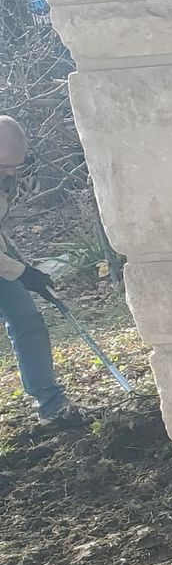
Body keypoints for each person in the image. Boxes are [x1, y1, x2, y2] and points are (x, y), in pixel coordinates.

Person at [0, 115, 72, 421]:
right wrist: (22, 273)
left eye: (16, 165)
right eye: (4, 165)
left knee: (26, 319)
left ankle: (50, 404)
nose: (11, 172)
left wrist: (24, 271)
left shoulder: (6, 177)